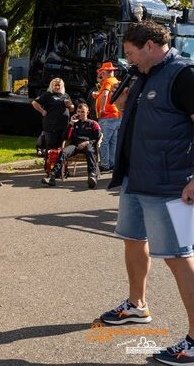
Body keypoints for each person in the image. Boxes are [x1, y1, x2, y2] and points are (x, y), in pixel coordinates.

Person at [95, 21, 194, 365]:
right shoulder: (145, 74)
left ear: (150, 45)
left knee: (180, 257)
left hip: (172, 186)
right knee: (133, 239)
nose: (128, 59)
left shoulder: (183, 75)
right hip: (136, 181)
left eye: (130, 52)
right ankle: (137, 306)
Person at [41, 102, 101, 188]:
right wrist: (71, 124)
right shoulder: (74, 123)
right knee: (63, 152)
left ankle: (92, 175)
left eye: (83, 111)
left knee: (89, 151)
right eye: (79, 111)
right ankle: (52, 176)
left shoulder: (93, 123)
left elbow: (97, 137)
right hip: (75, 145)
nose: (80, 113)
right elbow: (65, 137)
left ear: (87, 112)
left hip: (88, 144)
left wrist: (87, 142)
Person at [31, 78, 74, 151]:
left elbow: (72, 109)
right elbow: (34, 103)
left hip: (63, 126)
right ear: (51, 86)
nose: (57, 87)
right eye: (55, 85)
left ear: (62, 86)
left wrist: (70, 105)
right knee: (50, 148)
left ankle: (58, 162)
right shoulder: (47, 94)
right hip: (51, 126)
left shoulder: (66, 95)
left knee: (61, 147)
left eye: (59, 85)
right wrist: (42, 111)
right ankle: (49, 161)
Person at [94, 62, 121, 173]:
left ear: (105, 72)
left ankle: (105, 165)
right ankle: (112, 163)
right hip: (116, 115)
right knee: (113, 141)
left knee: (104, 141)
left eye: (102, 72)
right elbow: (107, 95)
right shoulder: (115, 81)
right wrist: (97, 96)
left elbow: (105, 95)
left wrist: (101, 110)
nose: (101, 74)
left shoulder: (107, 82)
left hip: (107, 116)